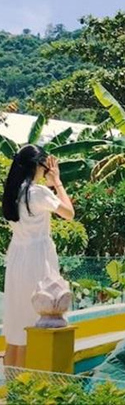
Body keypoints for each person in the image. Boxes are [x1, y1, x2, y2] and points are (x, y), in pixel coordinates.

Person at [2, 145, 74, 367]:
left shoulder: (13, 193)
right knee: (36, 321)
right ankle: (29, 389)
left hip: (16, 257)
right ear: (38, 166)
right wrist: (58, 183)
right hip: (37, 257)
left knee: (16, 327)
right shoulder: (38, 192)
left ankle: (11, 388)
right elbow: (69, 214)